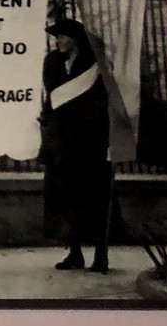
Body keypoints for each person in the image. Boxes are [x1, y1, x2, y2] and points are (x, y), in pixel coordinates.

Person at [38, 19, 111, 273]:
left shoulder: (95, 64)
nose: (57, 41)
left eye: (62, 37)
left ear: (76, 39)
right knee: (65, 198)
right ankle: (74, 252)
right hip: (61, 142)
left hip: (90, 141)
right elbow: (52, 96)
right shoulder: (52, 62)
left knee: (94, 197)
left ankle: (101, 253)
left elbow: (103, 98)